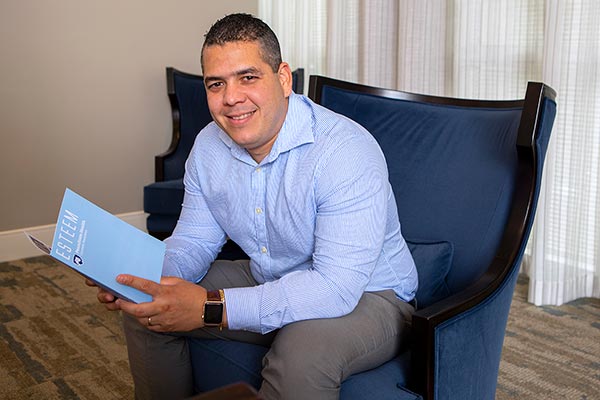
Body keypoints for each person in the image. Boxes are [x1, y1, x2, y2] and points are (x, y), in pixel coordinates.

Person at [91, 13, 418, 400]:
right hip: (274, 273)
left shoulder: (344, 151)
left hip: (371, 294)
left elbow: (334, 288)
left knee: (302, 352)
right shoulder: (209, 147)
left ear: (282, 78)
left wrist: (209, 307)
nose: (231, 98)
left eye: (248, 77)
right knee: (150, 304)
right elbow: (194, 241)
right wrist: (141, 276)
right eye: (217, 84)